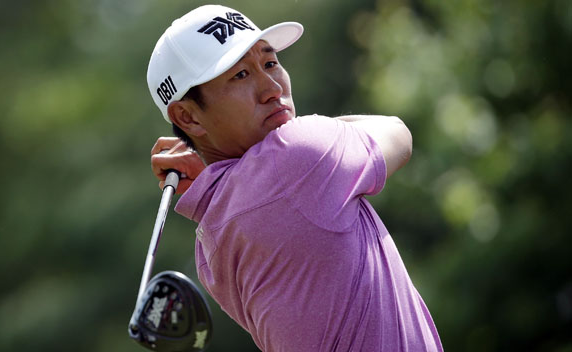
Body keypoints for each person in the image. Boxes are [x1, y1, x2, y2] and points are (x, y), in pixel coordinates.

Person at [146, 4, 443, 351]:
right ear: (189, 117)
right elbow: (398, 133)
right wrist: (311, 132)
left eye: (270, 63)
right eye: (240, 75)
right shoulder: (297, 157)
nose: (271, 87)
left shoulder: (208, 242)